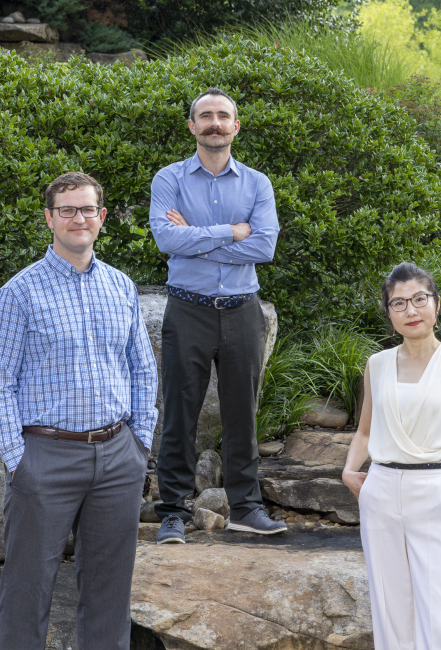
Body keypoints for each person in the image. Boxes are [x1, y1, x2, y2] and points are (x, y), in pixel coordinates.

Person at [0, 172, 159, 650]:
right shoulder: (17, 294)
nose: (78, 218)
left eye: (87, 210)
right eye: (67, 210)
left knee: (109, 591)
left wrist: (140, 443)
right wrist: (18, 460)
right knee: (26, 591)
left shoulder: (121, 287)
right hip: (45, 456)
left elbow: (143, 369)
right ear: (49, 219)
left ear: (102, 218)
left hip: (119, 455)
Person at [149, 87, 284, 543]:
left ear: (236, 126)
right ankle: (172, 511)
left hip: (243, 311)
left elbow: (264, 246)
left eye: (223, 116)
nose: (214, 123)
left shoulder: (257, 183)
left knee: (242, 413)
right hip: (187, 309)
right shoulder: (169, 179)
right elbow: (168, 241)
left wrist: (198, 238)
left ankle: (247, 506)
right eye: (205, 116)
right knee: (178, 413)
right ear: (192, 126)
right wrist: (231, 232)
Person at [342, 262, 441, 650]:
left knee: (438, 608)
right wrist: (348, 470)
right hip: (381, 488)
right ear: (389, 313)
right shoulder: (377, 364)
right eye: (399, 303)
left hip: (435, 486)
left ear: (436, 304)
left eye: (419, 299)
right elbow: (364, 430)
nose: (411, 311)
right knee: (389, 607)